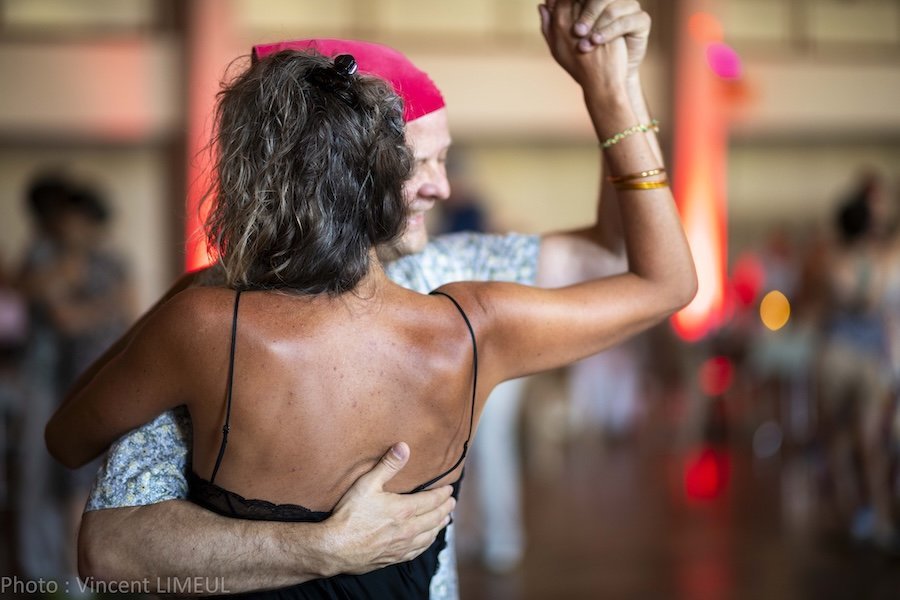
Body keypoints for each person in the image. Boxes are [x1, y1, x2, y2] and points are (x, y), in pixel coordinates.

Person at [65, 0, 680, 596]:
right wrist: (322, 549)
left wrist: (612, 84)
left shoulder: (211, 317)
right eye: (423, 161)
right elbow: (110, 547)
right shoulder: (462, 315)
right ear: (364, 172)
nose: (442, 187)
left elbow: (615, 256)